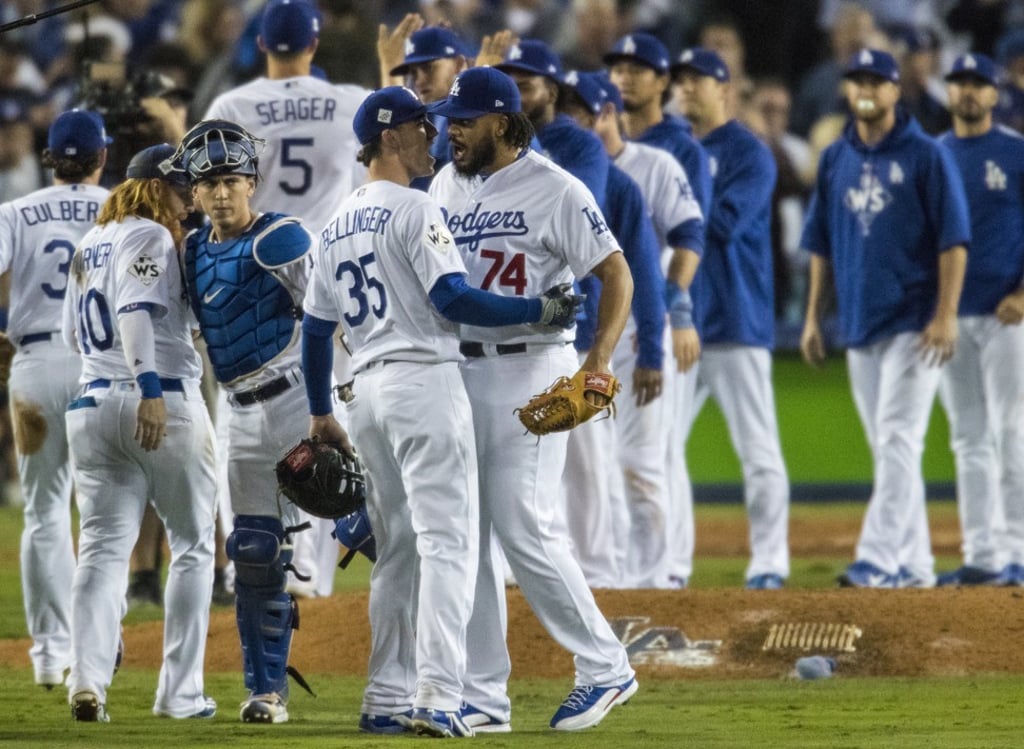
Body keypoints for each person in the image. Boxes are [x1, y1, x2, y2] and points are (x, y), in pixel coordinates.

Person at [301, 85, 581, 736]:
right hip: (423, 384)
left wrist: (320, 412)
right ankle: (436, 694)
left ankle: (384, 696)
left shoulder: (337, 221)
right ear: (392, 137)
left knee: (396, 552)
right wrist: (537, 310)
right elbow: (455, 299)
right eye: (423, 129)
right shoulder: (414, 209)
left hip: (365, 393)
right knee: (449, 544)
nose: (436, 138)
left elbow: (316, 331)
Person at [428, 66, 637, 732]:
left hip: (531, 367)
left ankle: (605, 666)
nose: (451, 129)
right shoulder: (443, 185)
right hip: (461, 368)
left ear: (503, 122)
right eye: (448, 118)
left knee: (524, 519)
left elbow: (616, 272)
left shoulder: (557, 187)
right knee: (472, 534)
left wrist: (598, 361)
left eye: (463, 118)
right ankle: (483, 694)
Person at [203, 0, 371, 596]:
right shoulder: (349, 101)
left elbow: (213, 189)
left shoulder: (234, 105)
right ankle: (311, 570)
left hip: (250, 277)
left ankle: (251, 558)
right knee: (323, 421)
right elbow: (363, 189)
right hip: (326, 275)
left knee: (248, 413)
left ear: (262, 46)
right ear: (314, 44)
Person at [800, 48, 970, 589]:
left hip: (915, 322)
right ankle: (916, 567)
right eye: (857, 80)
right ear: (847, 91)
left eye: (877, 80)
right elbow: (820, 244)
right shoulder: (834, 157)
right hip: (859, 322)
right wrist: (811, 318)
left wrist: (945, 315)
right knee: (890, 446)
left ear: (898, 91)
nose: (865, 88)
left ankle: (875, 558)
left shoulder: (926, 154)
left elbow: (954, 242)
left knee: (898, 438)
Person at [61, 143, 218, 722]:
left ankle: (87, 681)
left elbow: (74, 339)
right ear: (155, 185)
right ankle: (179, 694)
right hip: (159, 398)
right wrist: (149, 388)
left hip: (91, 403)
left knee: (101, 552)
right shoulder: (150, 235)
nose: (190, 196)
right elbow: (133, 312)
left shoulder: (89, 241)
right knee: (195, 546)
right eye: (182, 185)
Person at [176, 118, 313, 723]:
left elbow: (332, 313)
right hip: (235, 410)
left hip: (296, 400)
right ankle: (266, 691)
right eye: (210, 183)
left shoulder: (281, 237)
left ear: (252, 181)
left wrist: (338, 404)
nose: (223, 193)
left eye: (232, 179)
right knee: (255, 552)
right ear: (194, 193)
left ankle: (425, 669)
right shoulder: (191, 249)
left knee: (369, 527)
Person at [562, 71, 705, 589]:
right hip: (590, 337)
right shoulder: (561, 171)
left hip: (639, 333)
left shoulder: (639, 172)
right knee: (594, 463)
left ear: (605, 113)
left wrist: (663, 325)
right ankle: (611, 571)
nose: (569, 118)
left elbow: (665, 250)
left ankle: (657, 579)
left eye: (578, 110)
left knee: (640, 463)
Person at [672, 48, 791, 590]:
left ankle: (770, 561)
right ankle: (669, 565)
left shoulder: (749, 151)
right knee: (660, 450)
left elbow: (721, 223)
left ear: (726, 88)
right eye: (682, 81)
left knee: (758, 450)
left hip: (737, 318)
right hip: (681, 322)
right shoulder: (673, 145)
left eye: (698, 81)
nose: (686, 89)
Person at [0, 109, 110, 690]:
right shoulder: (121, 205)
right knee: (102, 517)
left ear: (49, 159)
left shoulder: (15, 210)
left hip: (35, 365)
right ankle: (90, 656)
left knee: (43, 513)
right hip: (101, 366)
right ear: (102, 157)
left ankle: (48, 653)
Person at [603, 32, 711, 591]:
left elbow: (692, 232)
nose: (626, 75)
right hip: (609, 323)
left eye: (638, 67)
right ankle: (628, 566)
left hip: (660, 316)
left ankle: (669, 570)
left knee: (656, 451)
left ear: (662, 79)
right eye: (618, 67)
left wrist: (678, 308)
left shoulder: (681, 149)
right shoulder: (589, 152)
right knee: (616, 456)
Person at [935, 53, 1024, 587]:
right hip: (952, 317)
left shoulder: (1016, 154)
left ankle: (1016, 549)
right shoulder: (933, 155)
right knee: (968, 437)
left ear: (995, 94)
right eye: (959, 83)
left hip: (1005, 314)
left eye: (977, 84)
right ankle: (983, 554)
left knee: (1011, 430)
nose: (967, 92)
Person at [377, 19, 471, 190]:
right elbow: (381, 123)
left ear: (458, 64)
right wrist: (388, 68)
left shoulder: (477, 118)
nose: (419, 80)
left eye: (429, 68)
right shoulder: (427, 113)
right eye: (413, 72)